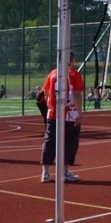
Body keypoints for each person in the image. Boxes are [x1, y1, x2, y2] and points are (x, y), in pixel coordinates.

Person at [40, 52, 84, 183]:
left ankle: (45, 172)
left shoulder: (53, 73)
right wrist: (80, 113)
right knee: (70, 142)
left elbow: (46, 91)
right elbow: (77, 94)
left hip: (53, 114)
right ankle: (64, 172)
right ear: (71, 60)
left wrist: (50, 105)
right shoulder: (74, 74)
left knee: (49, 141)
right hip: (69, 114)